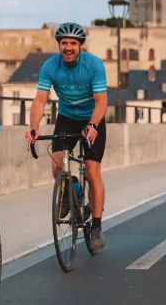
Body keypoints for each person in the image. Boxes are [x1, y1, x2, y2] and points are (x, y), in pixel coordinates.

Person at [24, 22, 108, 252]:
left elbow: (101, 101)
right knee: (57, 166)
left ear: (80, 45)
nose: (68, 47)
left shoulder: (93, 65)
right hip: (67, 117)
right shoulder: (50, 66)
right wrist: (34, 126)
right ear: (59, 45)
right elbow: (40, 99)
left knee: (92, 170)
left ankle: (97, 226)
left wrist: (92, 125)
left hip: (92, 117)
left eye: (73, 43)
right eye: (64, 43)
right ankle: (73, 189)